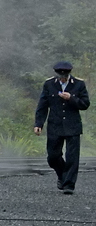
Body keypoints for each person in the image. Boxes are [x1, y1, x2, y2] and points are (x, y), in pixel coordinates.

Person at [33, 60, 89, 194]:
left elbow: (85, 104)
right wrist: (38, 123)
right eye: (60, 75)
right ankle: (63, 175)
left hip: (72, 125)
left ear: (69, 73)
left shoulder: (79, 84)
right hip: (55, 125)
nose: (63, 77)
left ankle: (69, 184)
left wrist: (71, 98)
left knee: (72, 157)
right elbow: (42, 105)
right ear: (56, 74)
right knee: (52, 156)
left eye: (65, 75)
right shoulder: (49, 84)